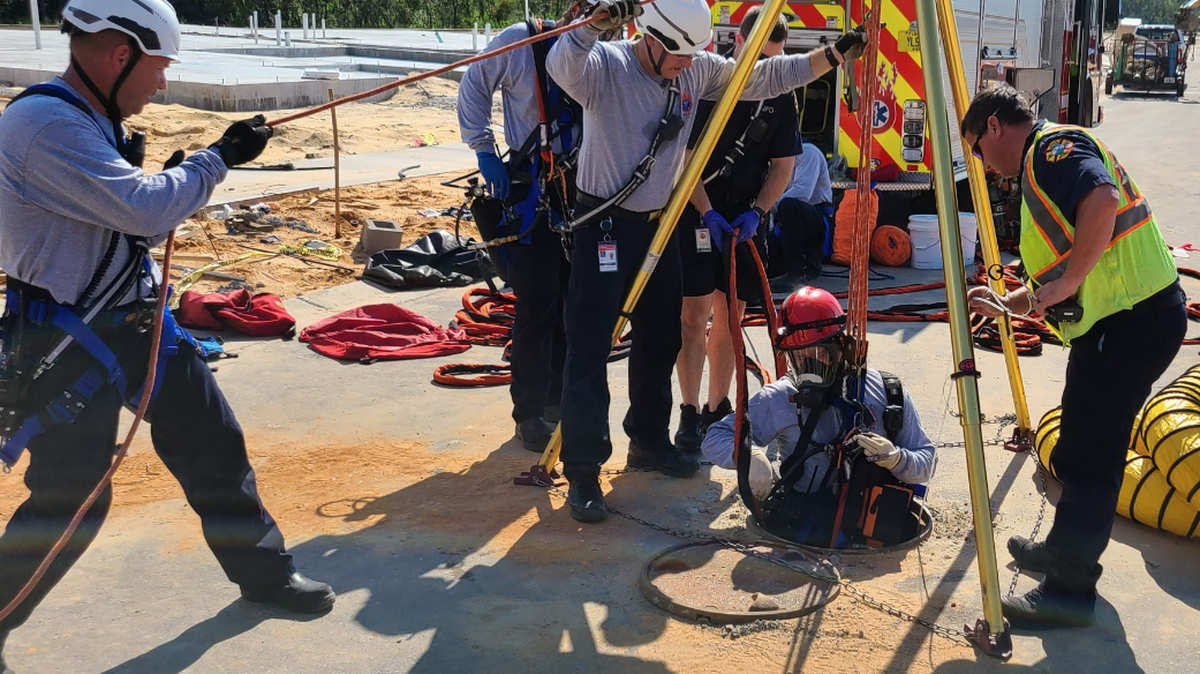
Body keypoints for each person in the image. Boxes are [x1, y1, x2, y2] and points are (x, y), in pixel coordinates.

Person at [0, 1, 334, 668]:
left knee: (213, 443)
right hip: (70, 341)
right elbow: (147, 208)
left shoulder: (94, 120)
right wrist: (218, 159)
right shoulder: (44, 124)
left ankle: (263, 575)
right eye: (157, 69)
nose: (159, 84)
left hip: (137, 321)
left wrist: (172, 182)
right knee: (72, 500)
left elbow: (139, 224)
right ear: (121, 55)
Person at [545, 0, 868, 523]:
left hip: (659, 224)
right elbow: (563, 67)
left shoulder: (694, 69)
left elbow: (765, 77)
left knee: (663, 336)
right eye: (675, 54)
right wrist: (591, 27)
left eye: (691, 55)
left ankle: (648, 438)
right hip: (604, 224)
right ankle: (584, 470)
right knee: (589, 346)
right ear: (649, 36)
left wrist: (831, 55)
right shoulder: (606, 66)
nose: (684, 65)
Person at [963, 85, 1185, 629]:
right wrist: (1010, 305)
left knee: (1091, 458)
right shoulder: (1045, 164)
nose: (984, 167)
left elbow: (1103, 201)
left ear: (995, 127)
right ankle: (1066, 551)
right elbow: (1058, 274)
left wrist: (1065, 287)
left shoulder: (1052, 151)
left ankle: (1069, 590)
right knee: (1081, 443)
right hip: (1120, 324)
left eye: (976, 150)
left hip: (1130, 323)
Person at [457, 1, 609, 452]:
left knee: (572, 303)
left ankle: (557, 402)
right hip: (532, 195)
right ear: (575, 10)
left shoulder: (603, 51)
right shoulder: (522, 42)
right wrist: (484, 149)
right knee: (537, 304)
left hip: (582, 194)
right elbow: (474, 84)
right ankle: (529, 412)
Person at [702, 286, 936, 547]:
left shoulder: (887, 392)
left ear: (843, 345)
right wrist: (748, 456)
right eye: (798, 358)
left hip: (875, 523)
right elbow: (715, 437)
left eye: (818, 353)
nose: (808, 366)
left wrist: (896, 459)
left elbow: (927, 462)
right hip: (806, 523)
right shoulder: (780, 398)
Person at [673, 7, 801, 455]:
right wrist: (707, 211)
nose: (765, 70)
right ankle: (688, 413)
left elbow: (784, 166)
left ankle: (716, 409)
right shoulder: (708, 82)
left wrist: (758, 213)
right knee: (692, 316)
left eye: (774, 61)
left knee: (731, 318)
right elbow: (683, 159)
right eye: (758, 58)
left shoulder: (781, 94)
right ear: (738, 42)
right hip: (699, 211)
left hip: (747, 218)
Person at [767, 141, 835, 293]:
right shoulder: (775, 162)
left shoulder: (808, 153)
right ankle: (783, 271)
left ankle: (796, 274)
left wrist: (765, 207)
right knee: (766, 268)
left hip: (815, 222)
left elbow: (802, 193)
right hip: (785, 223)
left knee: (789, 205)